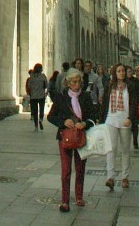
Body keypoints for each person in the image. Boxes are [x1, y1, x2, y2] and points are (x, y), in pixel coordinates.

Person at [47, 67, 98, 212]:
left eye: (79, 82)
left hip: (81, 137)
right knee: (66, 170)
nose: (77, 84)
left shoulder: (86, 97)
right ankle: (64, 200)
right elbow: (51, 116)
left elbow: (93, 117)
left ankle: (79, 197)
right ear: (68, 83)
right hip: (65, 137)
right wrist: (63, 122)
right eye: (74, 82)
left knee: (80, 168)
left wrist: (85, 123)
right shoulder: (61, 97)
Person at [100, 62, 138, 190]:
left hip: (125, 120)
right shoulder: (110, 86)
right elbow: (105, 102)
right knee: (111, 148)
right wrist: (101, 119)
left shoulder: (130, 86)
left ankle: (125, 177)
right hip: (111, 119)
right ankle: (110, 177)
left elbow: (134, 103)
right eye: (119, 71)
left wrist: (130, 118)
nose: (121, 73)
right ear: (115, 73)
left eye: (123, 71)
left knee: (125, 149)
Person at [25, 64, 48, 129]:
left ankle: (36, 125)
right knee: (41, 109)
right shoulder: (43, 76)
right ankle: (41, 119)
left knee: (35, 111)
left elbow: (29, 86)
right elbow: (46, 85)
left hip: (33, 96)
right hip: (41, 95)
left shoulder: (31, 77)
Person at [126, 66, 139, 149]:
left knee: (135, 125)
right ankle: (127, 142)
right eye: (128, 71)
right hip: (125, 106)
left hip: (134, 105)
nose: (130, 73)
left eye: (130, 71)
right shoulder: (123, 81)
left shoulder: (135, 81)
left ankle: (135, 140)